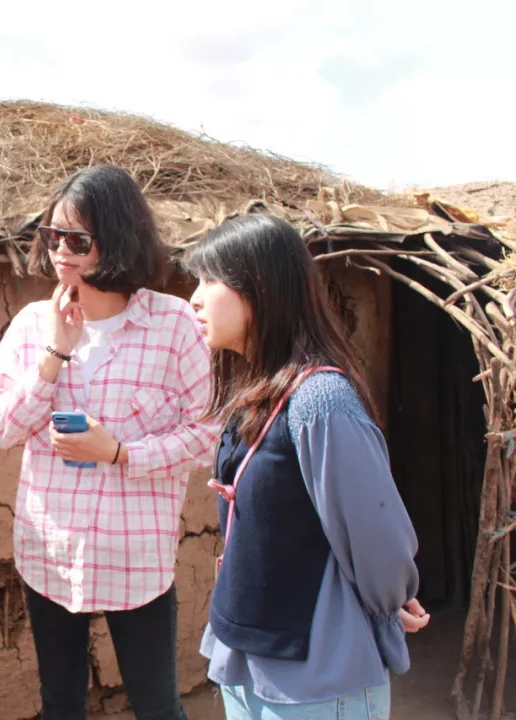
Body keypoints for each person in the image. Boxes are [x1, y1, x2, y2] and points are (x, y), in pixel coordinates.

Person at [0, 165, 217, 720]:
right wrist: (54, 355)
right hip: (50, 554)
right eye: (53, 236)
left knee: (158, 706)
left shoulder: (174, 326)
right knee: (61, 705)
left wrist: (120, 453)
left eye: (78, 240)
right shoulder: (33, 325)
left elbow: (208, 435)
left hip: (136, 559)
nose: (61, 251)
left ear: (117, 240)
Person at [186, 214, 430, 720]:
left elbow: (376, 534)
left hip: (315, 679)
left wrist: (391, 599)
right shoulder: (258, 394)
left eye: (210, 280)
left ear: (259, 288)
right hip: (247, 661)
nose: (195, 298)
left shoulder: (321, 401)